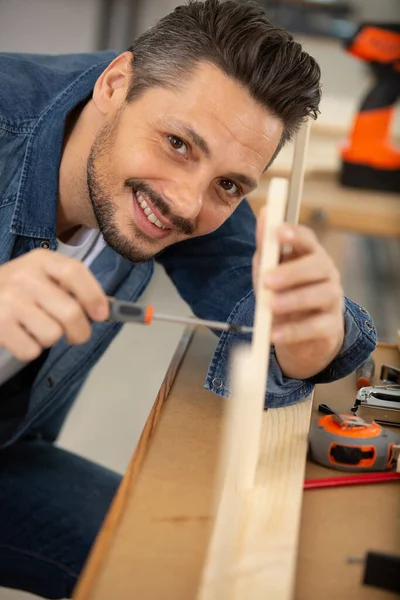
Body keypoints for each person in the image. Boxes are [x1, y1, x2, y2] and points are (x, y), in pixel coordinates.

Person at [0, 0, 376, 597]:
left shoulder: (195, 142)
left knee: (172, 572)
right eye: (177, 145)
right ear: (115, 85)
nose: (185, 203)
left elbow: (260, 304)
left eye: (228, 185)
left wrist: (314, 337)